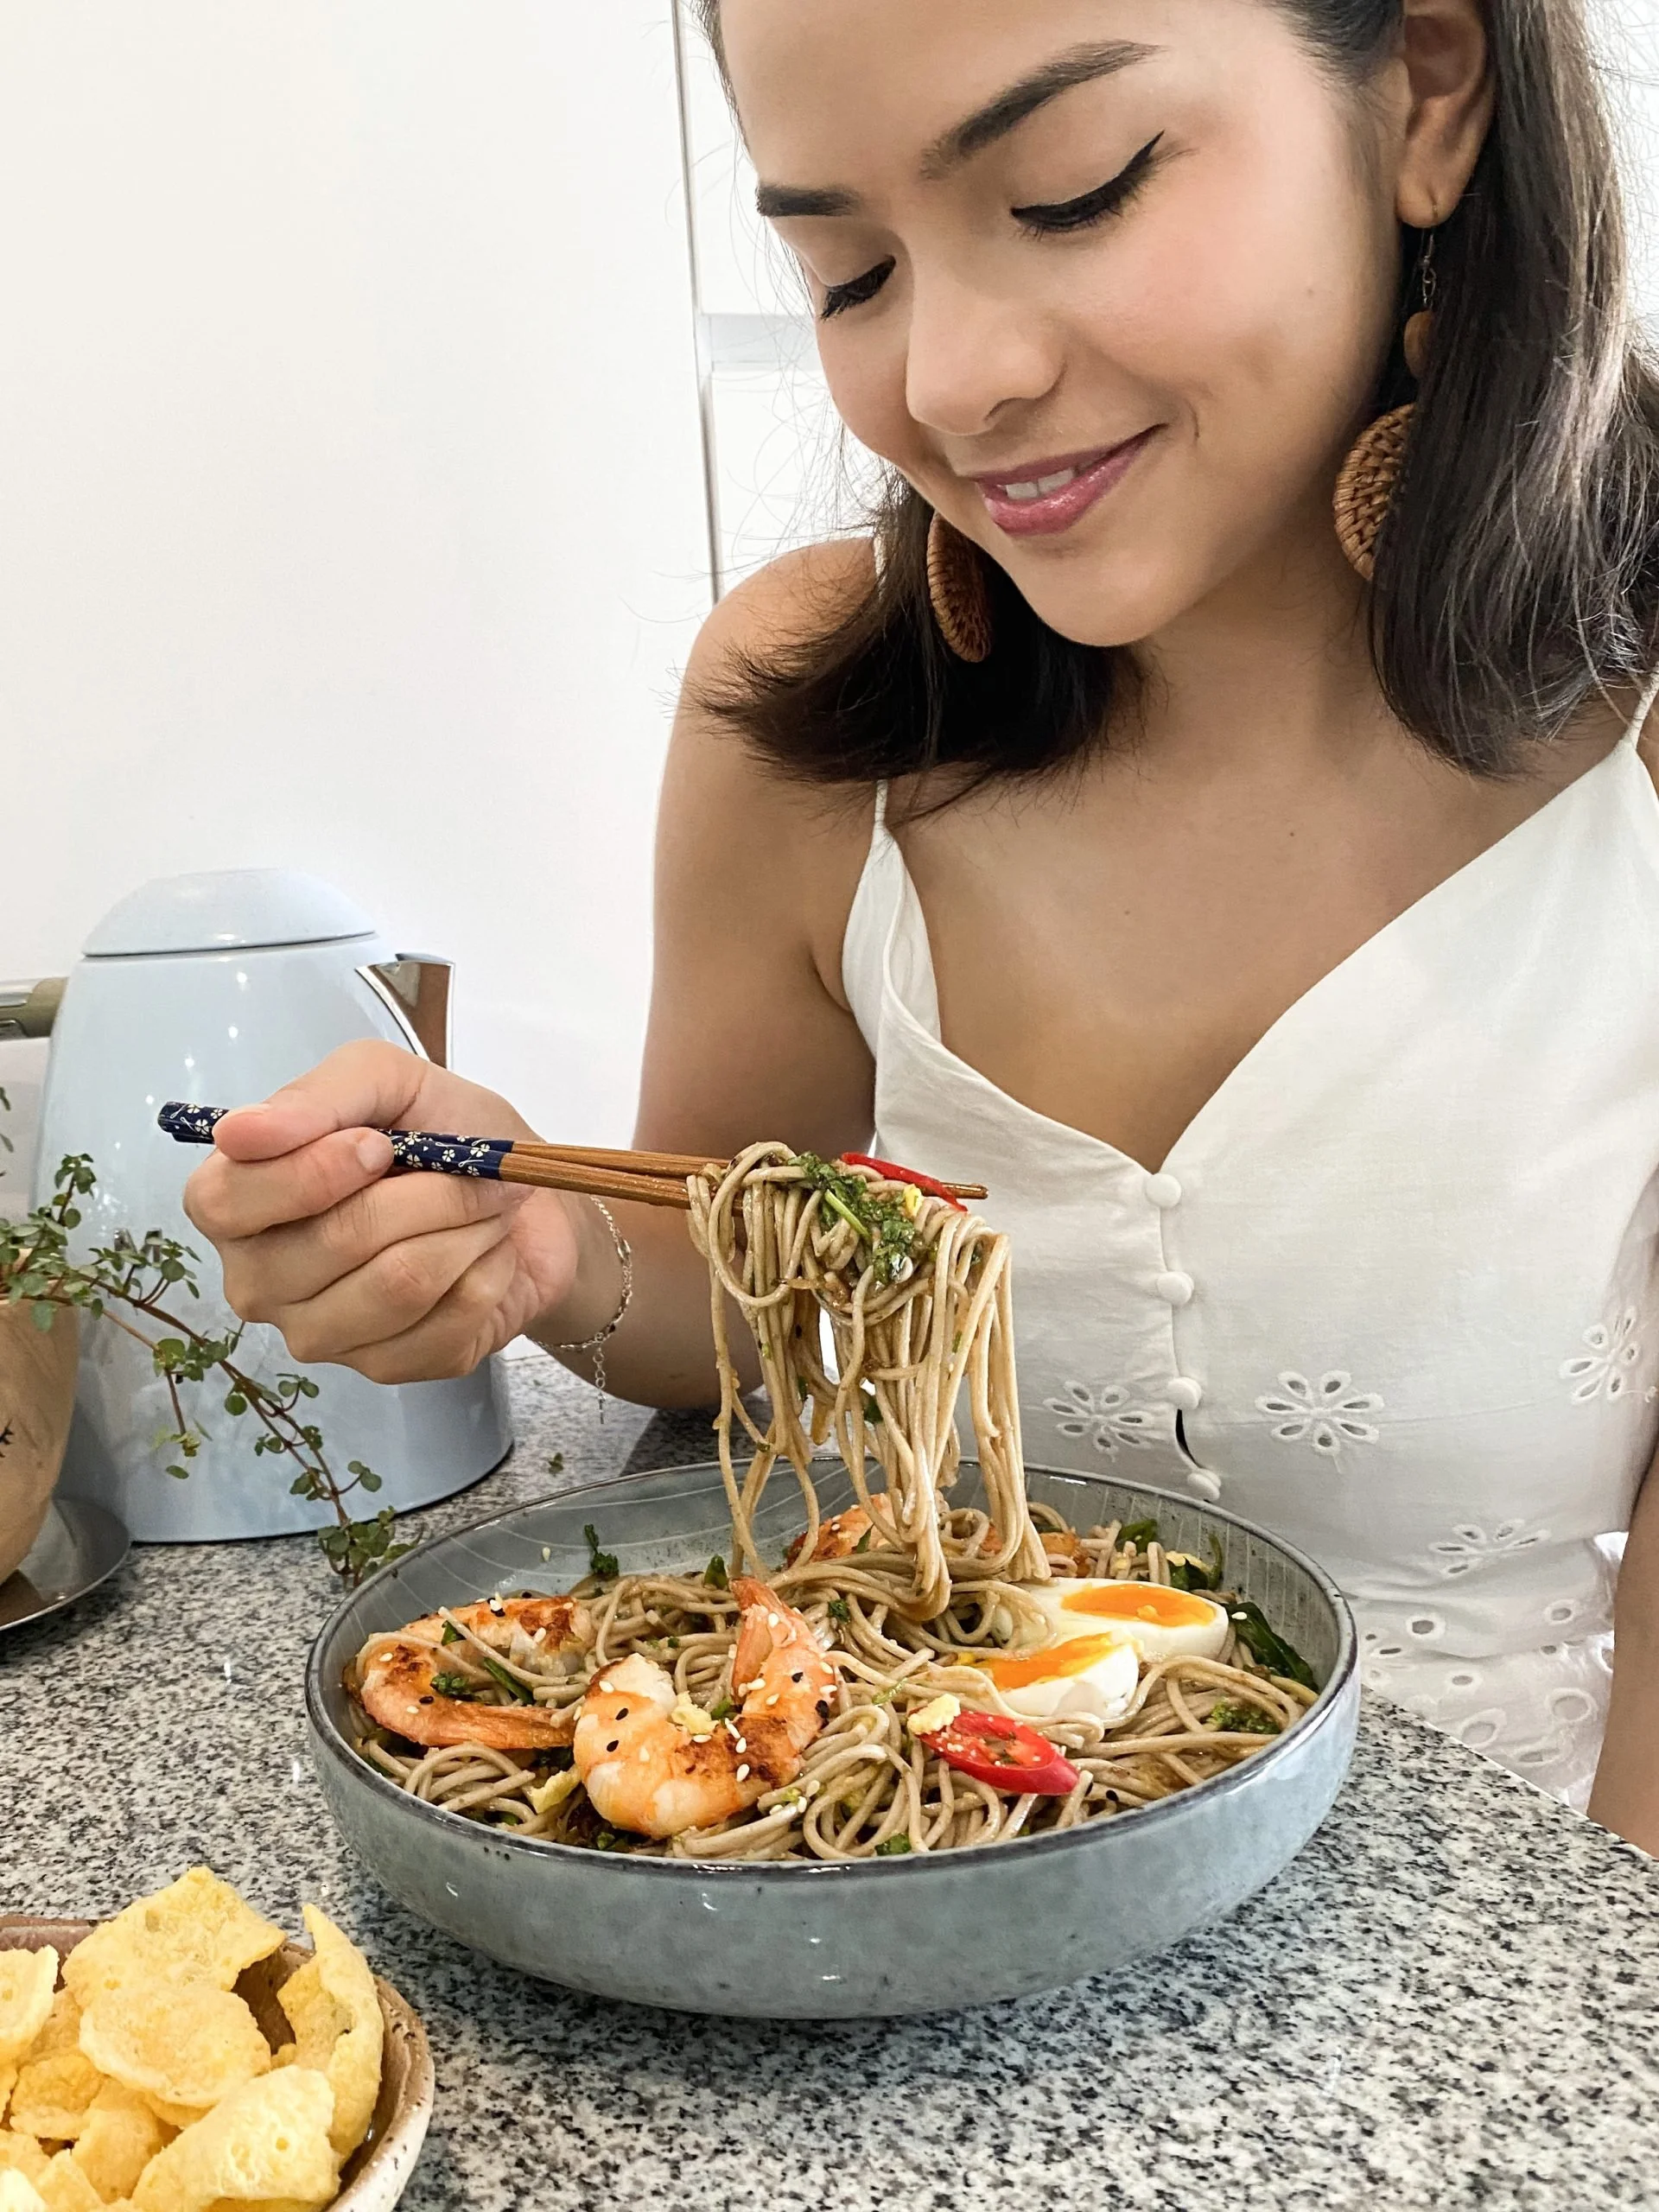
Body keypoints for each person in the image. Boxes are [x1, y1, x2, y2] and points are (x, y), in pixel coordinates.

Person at [182, 0, 1659, 1849]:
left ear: (1429, 87)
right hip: (930, 1881)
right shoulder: (811, 718)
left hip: (1520, 1931)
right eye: (850, 270)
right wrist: (539, 1242)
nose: (950, 380)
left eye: (1075, 189)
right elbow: (737, 1300)